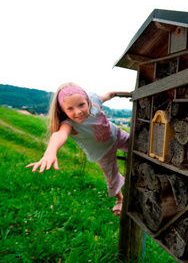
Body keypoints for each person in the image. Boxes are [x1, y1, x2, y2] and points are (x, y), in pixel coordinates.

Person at [26, 82, 131, 216]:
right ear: (63, 111)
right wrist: (50, 152)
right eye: (70, 109)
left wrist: (129, 94)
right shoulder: (69, 124)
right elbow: (60, 134)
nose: (78, 111)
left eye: (81, 105)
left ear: (87, 100)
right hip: (102, 152)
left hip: (116, 135)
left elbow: (110, 94)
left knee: (136, 146)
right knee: (112, 178)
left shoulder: (94, 101)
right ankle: (120, 200)